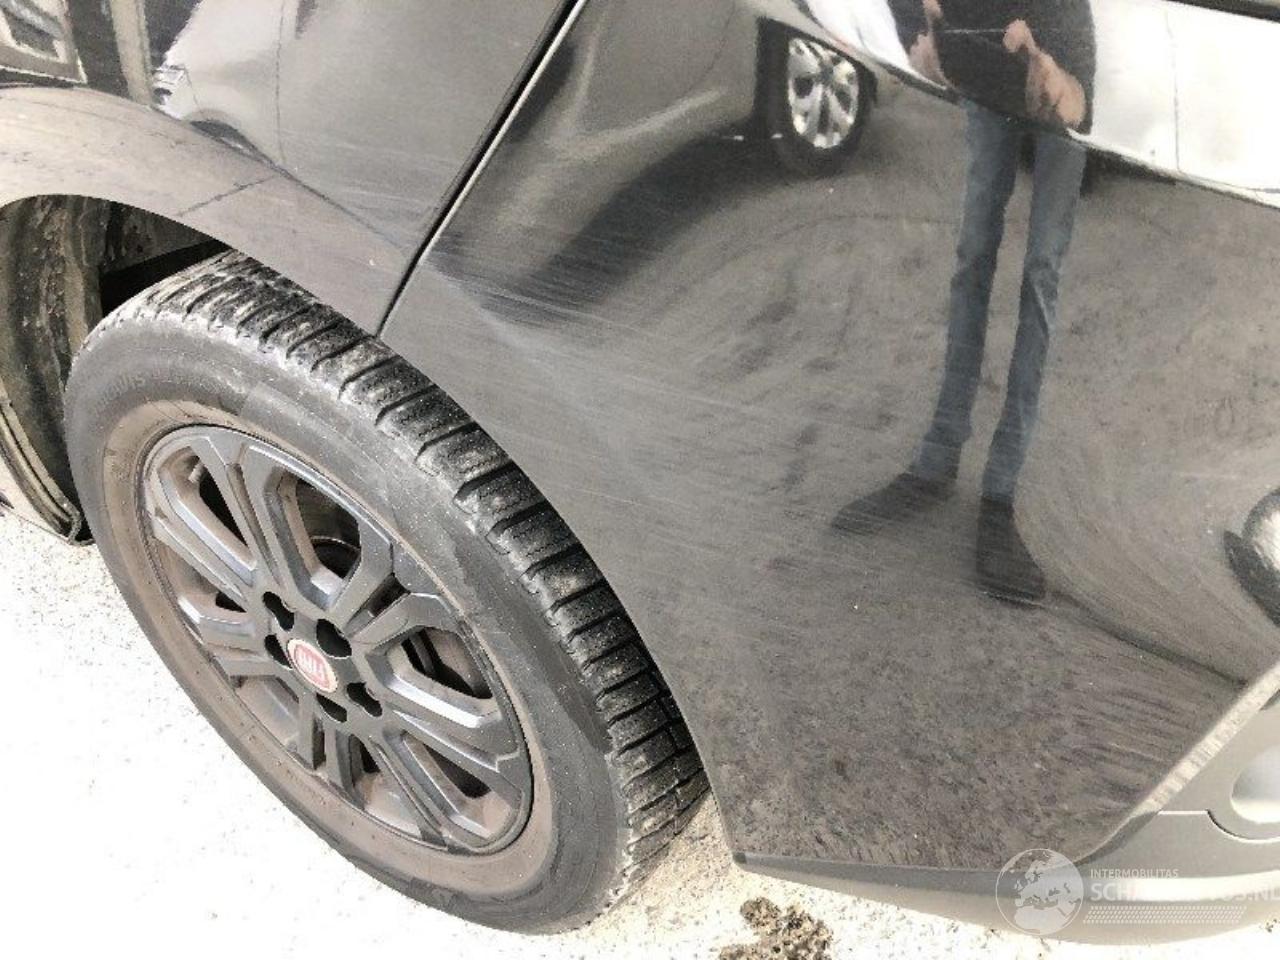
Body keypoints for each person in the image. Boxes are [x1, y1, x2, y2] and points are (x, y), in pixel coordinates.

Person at [834, 0, 1095, 603]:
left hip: (1063, 50)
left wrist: (1058, 75)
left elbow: (1078, 81)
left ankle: (999, 490)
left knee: (1040, 271)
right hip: (986, 66)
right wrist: (919, 36)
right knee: (975, 252)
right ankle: (937, 459)